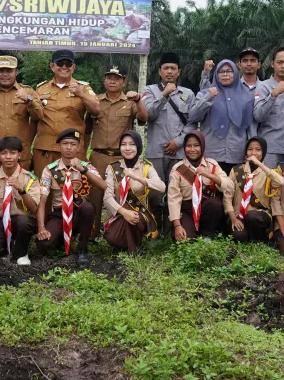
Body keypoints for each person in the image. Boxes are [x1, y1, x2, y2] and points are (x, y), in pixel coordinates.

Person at [86, 64, 147, 232]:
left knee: (121, 195)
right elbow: (86, 130)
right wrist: (83, 155)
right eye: (109, 78)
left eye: (117, 79)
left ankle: (117, 232)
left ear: (124, 82)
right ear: (104, 80)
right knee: (95, 196)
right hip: (98, 157)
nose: (112, 81)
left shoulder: (130, 102)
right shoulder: (95, 101)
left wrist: (138, 100)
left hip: (120, 159)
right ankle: (92, 233)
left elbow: (143, 118)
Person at [36, 128, 107, 266]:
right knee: (43, 244)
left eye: (73, 144)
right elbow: (42, 202)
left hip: (79, 214)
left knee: (88, 208)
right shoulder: (50, 169)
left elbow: (103, 186)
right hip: (59, 214)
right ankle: (62, 240)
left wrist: (83, 170)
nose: (69, 147)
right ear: (59, 146)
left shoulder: (86, 166)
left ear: (79, 147)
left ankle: (82, 249)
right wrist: (41, 228)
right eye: (65, 143)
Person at [141, 52, 196, 227]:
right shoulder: (149, 91)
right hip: (155, 152)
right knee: (154, 193)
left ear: (179, 71)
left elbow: (192, 123)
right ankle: (154, 230)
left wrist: (178, 142)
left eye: (173, 68)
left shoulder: (188, 94)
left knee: (177, 191)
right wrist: (164, 94)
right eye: (166, 68)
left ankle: (172, 229)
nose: (169, 72)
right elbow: (149, 114)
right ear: (160, 71)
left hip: (179, 154)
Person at [29, 50, 100, 176]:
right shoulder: (41, 88)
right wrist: (27, 146)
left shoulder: (83, 88)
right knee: (43, 185)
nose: (64, 67)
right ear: (52, 66)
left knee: (73, 185)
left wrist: (80, 94)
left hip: (72, 149)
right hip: (45, 148)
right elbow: (34, 119)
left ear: (73, 67)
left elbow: (96, 110)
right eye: (60, 63)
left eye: (68, 64)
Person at [103, 131, 165, 254]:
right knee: (112, 237)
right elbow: (107, 197)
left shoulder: (146, 167)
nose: (127, 148)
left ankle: (133, 251)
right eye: (123, 144)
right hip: (118, 214)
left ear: (138, 147)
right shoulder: (112, 168)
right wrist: (123, 212)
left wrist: (136, 177)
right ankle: (127, 244)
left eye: (132, 144)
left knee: (134, 218)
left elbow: (161, 187)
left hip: (139, 214)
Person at [0, 136, 40, 265]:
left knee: (24, 223)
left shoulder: (30, 179)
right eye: (4, 153)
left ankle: (21, 253)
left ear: (19, 155)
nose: (8, 157)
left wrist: (22, 190)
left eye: (12, 153)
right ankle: (7, 245)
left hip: (21, 220)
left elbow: (34, 208)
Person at [190, 60, 255, 175]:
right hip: (212, 155)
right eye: (221, 71)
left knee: (235, 186)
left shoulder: (246, 96)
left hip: (238, 154)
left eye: (229, 71)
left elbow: (249, 127)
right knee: (210, 186)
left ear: (235, 73)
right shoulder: (205, 94)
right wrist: (208, 97)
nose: (225, 74)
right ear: (216, 74)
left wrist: (252, 151)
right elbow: (193, 116)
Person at [167, 131, 231, 241]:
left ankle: (208, 235)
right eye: (189, 146)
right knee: (184, 241)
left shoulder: (212, 165)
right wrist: (177, 225)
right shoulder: (177, 169)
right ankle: (191, 231)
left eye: (196, 145)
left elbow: (228, 186)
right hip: (187, 210)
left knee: (214, 203)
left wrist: (209, 175)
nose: (192, 149)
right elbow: (173, 199)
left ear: (202, 147)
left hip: (206, 209)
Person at [223, 137, 284, 243]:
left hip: (259, 215)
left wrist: (259, 164)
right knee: (239, 236)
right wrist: (233, 218)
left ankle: (258, 240)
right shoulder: (236, 170)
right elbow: (227, 197)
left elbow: (281, 181)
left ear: (263, 152)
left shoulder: (268, 173)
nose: (253, 153)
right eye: (250, 149)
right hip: (238, 215)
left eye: (258, 150)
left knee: (252, 216)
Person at [253, 46, 284, 168]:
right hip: (269, 149)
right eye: (279, 62)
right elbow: (258, 116)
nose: (283, 66)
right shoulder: (263, 86)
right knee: (267, 180)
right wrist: (274, 94)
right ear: (272, 64)